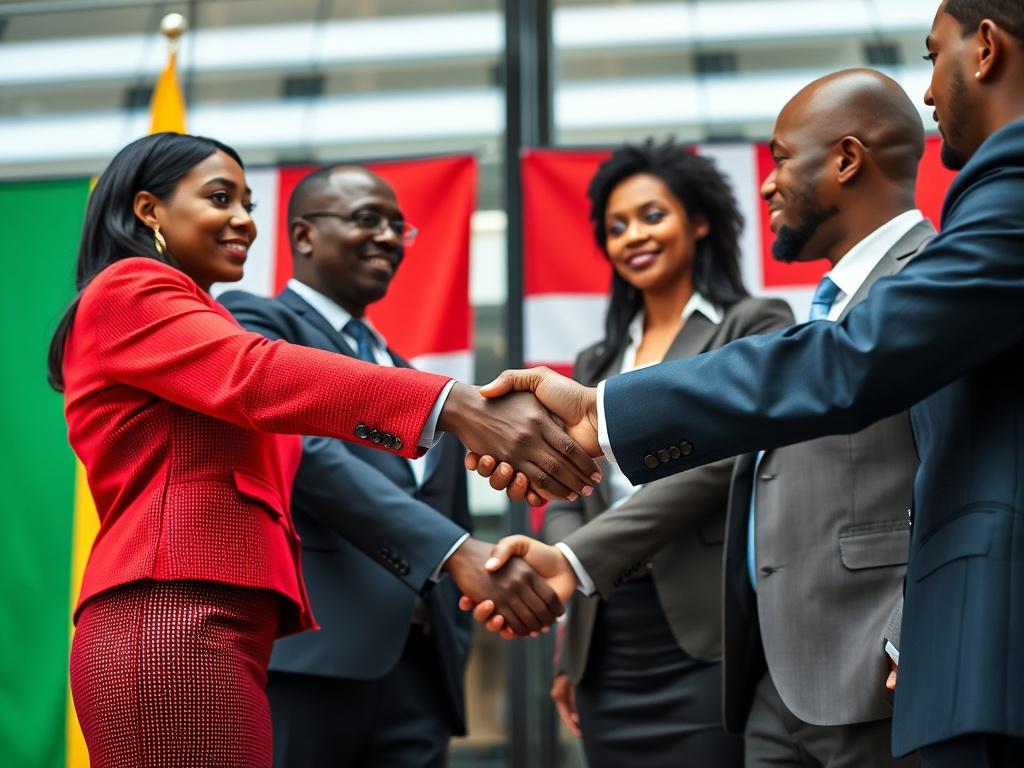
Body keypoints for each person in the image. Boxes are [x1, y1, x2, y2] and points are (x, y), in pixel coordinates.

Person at [467, 2, 1024, 765]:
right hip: (769, 681)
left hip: (875, 673)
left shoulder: (952, 252)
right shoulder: (823, 311)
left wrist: (601, 417)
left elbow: (890, 409)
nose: (929, 93)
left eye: (778, 158)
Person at [50, 132, 596, 767]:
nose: (246, 221)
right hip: (174, 614)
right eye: (221, 197)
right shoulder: (131, 289)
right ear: (148, 210)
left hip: (219, 620)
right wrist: (457, 405)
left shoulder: (195, 320)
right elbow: (256, 375)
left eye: (249, 204)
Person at [535, 140, 791, 768]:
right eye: (617, 227)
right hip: (606, 635)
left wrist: (574, 557)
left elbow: (721, 465)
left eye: (653, 215)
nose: (632, 238)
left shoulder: (752, 325)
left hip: (709, 634)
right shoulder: (597, 361)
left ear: (699, 221)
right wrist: (571, 650)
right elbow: (571, 485)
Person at [220, 165, 483, 767]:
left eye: (398, 226)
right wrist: (455, 552)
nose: (389, 237)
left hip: (420, 673)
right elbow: (308, 453)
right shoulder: (254, 325)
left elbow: (447, 504)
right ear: (305, 235)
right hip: (311, 660)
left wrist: (454, 631)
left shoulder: (413, 378)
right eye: (368, 219)